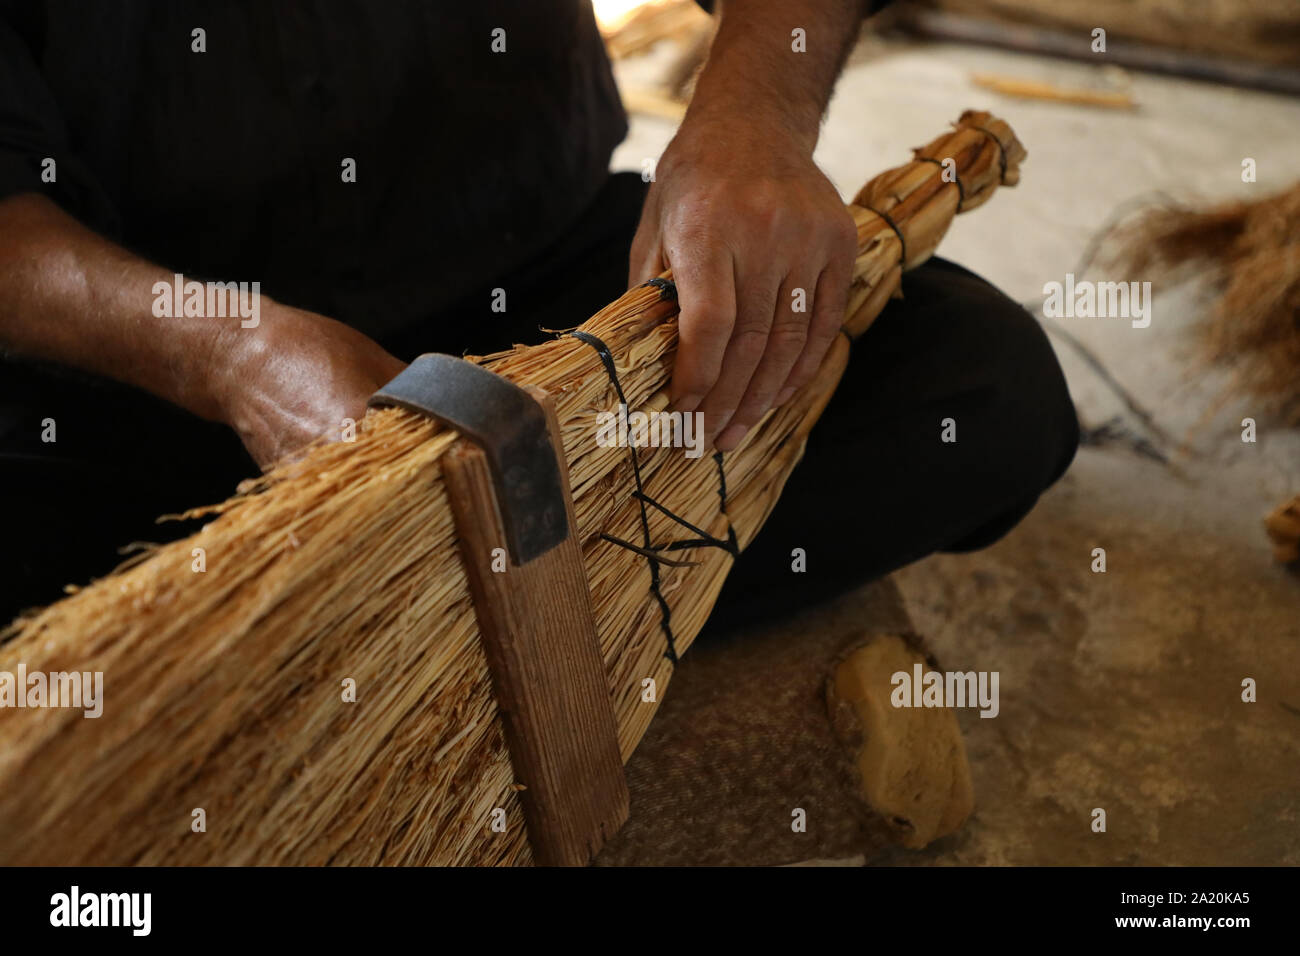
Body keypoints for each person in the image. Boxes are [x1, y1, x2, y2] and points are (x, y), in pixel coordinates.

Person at [0, 0, 1077, 623]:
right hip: (140, 367)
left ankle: (396, 621)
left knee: (978, 389)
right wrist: (231, 353)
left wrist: (752, 120)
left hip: (538, 284)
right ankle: (498, 605)